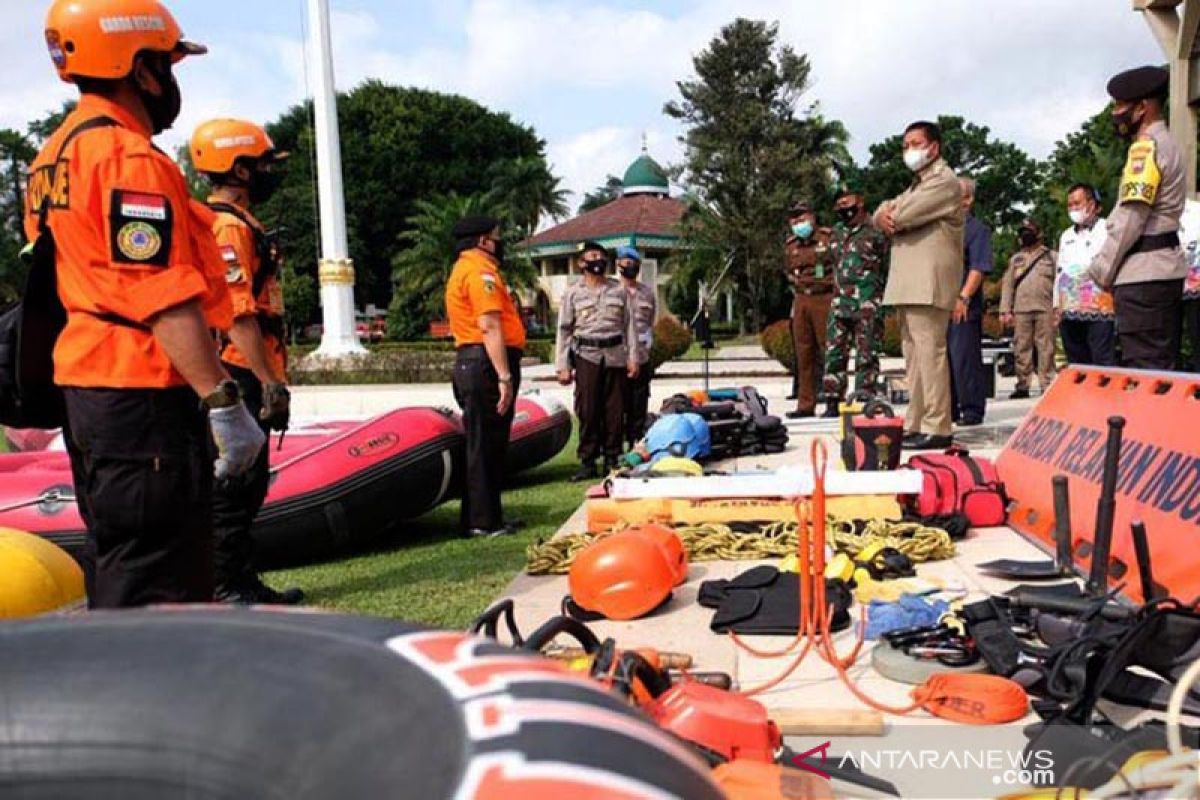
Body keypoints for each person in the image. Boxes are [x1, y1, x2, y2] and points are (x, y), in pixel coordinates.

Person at [27, 0, 265, 607]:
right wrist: (222, 401)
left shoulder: (53, 157)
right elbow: (160, 294)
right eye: (167, 63)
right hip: (141, 394)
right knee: (159, 578)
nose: (171, 80)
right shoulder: (127, 159)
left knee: (126, 561)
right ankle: (148, 699)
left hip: (90, 389)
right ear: (140, 69)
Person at [190, 118, 303, 604]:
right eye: (261, 164)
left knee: (250, 485)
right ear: (237, 169)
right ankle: (223, 587)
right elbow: (237, 313)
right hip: (238, 370)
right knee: (233, 487)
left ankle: (242, 580)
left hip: (250, 367)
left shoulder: (238, 223)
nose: (269, 171)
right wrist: (268, 383)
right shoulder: (228, 229)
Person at [1088, 65, 1188, 370]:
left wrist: (1102, 270)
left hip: (1143, 276)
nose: (1116, 114)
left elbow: (1131, 218)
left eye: (1121, 106)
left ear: (1142, 108)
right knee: (1161, 369)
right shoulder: (1169, 144)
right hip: (1163, 271)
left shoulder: (1146, 150)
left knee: (1146, 371)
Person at [874, 121, 964, 450]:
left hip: (929, 282)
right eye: (905, 145)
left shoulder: (943, 181)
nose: (909, 151)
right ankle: (916, 420)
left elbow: (900, 215)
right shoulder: (916, 185)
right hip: (909, 282)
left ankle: (937, 425)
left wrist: (887, 214)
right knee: (913, 358)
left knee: (930, 355)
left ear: (934, 148)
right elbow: (882, 211)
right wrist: (881, 213)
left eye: (916, 143)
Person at [445, 215, 525, 538]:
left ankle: (490, 516)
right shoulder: (479, 273)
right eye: (496, 236)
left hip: (477, 362)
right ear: (483, 241)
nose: (500, 241)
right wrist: (504, 376)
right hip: (484, 364)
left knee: (491, 444)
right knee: (483, 444)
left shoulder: (465, 269)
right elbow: (489, 325)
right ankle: (481, 521)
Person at [556, 242, 638, 481]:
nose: (598, 260)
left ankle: (613, 457)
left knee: (615, 410)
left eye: (601, 256)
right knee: (588, 409)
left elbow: (630, 326)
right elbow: (564, 330)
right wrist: (562, 366)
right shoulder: (573, 293)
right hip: (586, 356)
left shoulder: (619, 290)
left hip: (615, 356)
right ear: (582, 263)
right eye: (592, 256)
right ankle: (588, 460)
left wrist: (633, 358)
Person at [823, 185, 889, 410]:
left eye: (847, 202)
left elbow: (887, 266)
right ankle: (833, 400)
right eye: (839, 204)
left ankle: (865, 399)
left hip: (867, 304)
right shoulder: (836, 233)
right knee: (834, 354)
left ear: (860, 201)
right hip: (840, 304)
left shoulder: (876, 232)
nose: (843, 208)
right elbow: (832, 264)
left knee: (866, 355)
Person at [948, 178, 993, 426]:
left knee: (964, 358)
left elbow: (979, 266)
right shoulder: (944, 228)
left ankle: (972, 409)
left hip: (963, 303)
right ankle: (950, 408)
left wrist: (964, 296)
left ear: (967, 199)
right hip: (941, 304)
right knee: (945, 361)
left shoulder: (977, 230)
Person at [1056, 183, 1116, 366]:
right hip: (1070, 309)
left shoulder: (1107, 229)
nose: (1073, 208)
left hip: (1100, 307)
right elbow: (1060, 271)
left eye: (1077, 203)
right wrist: (1056, 304)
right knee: (1076, 362)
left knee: (1101, 358)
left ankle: (1104, 395)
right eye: (1070, 205)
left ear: (1091, 204)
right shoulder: (1066, 236)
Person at [784, 200, 834, 418]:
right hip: (802, 299)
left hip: (824, 297)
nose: (798, 223)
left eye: (802, 218)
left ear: (812, 218)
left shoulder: (827, 238)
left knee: (829, 351)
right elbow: (787, 271)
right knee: (803, 353)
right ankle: (805, 404)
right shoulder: (791, 245)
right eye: (794, 219)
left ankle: (834, 399)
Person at [1001, 220, 1058, 399]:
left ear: (1039, 233)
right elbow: (1008, 285)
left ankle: (1046, 383)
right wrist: (1005, 310)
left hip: (1045, 308)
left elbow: (1060, 283)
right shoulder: (1016, 259)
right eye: (1024, 231)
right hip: (1021, 309)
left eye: (1030, 231)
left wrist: (1059, 307)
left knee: (1046, 347)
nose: (1026, 234)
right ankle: (1023, 384)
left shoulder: (1051, 257)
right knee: (1021, 348)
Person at [616, 245, 656, 448]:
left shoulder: (647, 293)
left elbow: (649, 322)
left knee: (639, 401)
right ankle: (615, 444)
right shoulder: (611, 291)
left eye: (635, 264)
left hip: (641, 354)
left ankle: (636, 440)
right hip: (617, 355)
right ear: (618, 264)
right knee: (617, 403)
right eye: (627, 263)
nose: (631, 267)